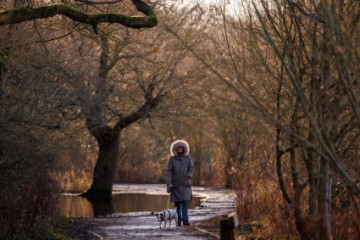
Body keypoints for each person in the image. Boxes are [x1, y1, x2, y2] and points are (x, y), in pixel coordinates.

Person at [166, 139, 195, 226]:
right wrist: (169, 182)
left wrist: (189, 175)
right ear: (175, 149)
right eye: (178, 148)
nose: (180, 149)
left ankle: (185, 221)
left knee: (185, 203)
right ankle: (178, 220)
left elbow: (191, 168)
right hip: (176, 185)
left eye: (181, 148)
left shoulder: (188, 157)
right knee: (177, 204)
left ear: (184, 149)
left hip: (186, 184)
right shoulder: (172, 159)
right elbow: (169, 172)